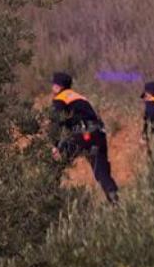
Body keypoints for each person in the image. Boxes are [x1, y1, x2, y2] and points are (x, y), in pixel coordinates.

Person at [50, 72, 119, 203]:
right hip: (98, 135)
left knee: (53, 165)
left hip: (82, 136)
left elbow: (57, 123)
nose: (52, 88)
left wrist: (55, 145)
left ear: (58, 86)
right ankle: (115, 201)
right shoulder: (80, 97)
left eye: (53, 85)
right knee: (102, 172)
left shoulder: (60, 99)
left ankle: (49, 199)